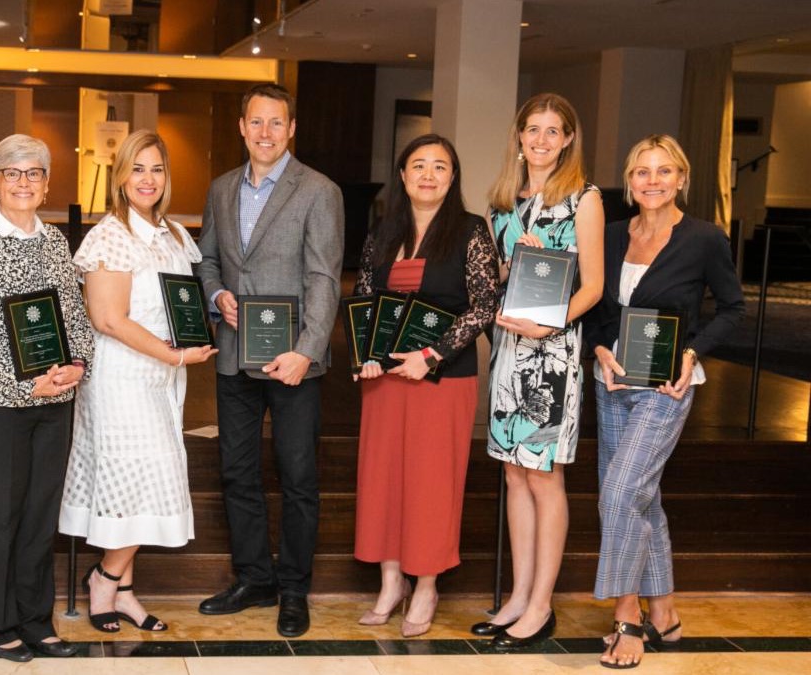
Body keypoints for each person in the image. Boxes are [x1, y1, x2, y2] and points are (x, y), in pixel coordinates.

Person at [586, 135, 743, 669]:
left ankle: (627, 616)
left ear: (682, 179)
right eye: (641, 172)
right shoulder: (610, 235)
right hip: (612, 384)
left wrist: (692, 353)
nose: (651, 181)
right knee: (642, 497)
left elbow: (732, 308)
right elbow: (593, 309)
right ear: (629, 182)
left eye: (663, 171)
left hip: (666, 388)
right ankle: (667, 610)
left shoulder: (703, 239)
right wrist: (601, 350)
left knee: (620, 492)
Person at [196, 83, 345, 638]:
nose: (265, 133)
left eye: (275, 123)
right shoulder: (220, 189)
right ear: (241, 127)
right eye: (255, 122)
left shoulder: (319, 190)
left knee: (299, 476)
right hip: (236, 357)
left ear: (291, 129)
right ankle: (254, 579)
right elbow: (208, 259)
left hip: (292, 362)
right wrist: (217, 296)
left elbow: (324, 278)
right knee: (237, 474)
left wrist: (307, 351)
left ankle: (294, 590)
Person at [59, 129, 215, 633]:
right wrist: (173, 355)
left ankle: (124, 591)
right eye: (137, 169)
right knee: (139, 480)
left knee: (143, 482)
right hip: (122, 378)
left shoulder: (172, 233)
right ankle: (104, 579)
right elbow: (108, 318)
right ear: (120, 176)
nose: (147, 179)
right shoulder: (110, 236)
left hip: (160, 377)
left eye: (157, 169)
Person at [0, 134, 94, 661]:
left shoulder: (55, 241)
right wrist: (20, 384)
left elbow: (74, 316)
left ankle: (36, 620)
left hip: (54, 401)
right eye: (12, 173)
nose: (23, 183)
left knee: (39, 515)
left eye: (33, 173)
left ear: (47, 182)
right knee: (0, 514)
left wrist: (78, 364)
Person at [352, 134, 498, 637]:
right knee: (384, 476)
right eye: (419, 165)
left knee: (433, 481)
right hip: (385, 380)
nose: (429, 174)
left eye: (440, 166)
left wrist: (431, 355)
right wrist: (366, 357)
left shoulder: (470, 231)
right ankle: (391, 582)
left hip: (442, 377)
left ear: (453, 177)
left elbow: (484, 304)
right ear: (403, 173)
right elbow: (365, 296)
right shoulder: (384, 230)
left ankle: (428, 583)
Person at [476, 92, 604, 650]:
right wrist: (512, 260)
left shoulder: (584, 199)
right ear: (519, 135)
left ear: (569, 139)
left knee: (544, 474)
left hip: (552, 355)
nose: (542, 140)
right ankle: (518, 596)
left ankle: (542, 606)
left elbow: (594, 286)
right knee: (513, 471)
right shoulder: (503, 201)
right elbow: (503, 276)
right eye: (533, 129)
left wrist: (550, 327)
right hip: (508, 349)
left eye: (554, 131)